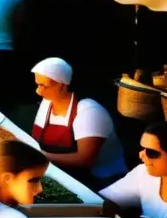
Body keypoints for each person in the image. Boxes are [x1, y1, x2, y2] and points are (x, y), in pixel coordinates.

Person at [31, 57, 127, 189]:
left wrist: (41, 156)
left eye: (43, 86)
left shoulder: (90, 111)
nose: (38, 91)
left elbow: (84, 159)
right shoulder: (47, 103)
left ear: (62, 85)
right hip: (65, 173)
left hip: (102, 181)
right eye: (37, 84)